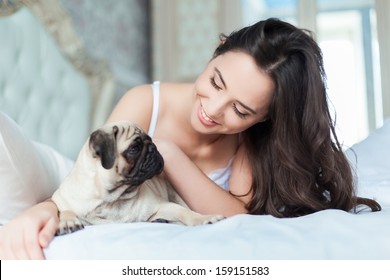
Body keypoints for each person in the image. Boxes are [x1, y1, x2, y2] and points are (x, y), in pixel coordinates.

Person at [0, 18, 381, 259]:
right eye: (216, 81)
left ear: (263, 119)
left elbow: (237, 218)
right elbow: (91, 182)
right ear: (217, 49)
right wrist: (44, 210)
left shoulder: (249, 146)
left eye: (241, 111)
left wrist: (169, 154)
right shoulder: (145, 102)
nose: (214, 109)